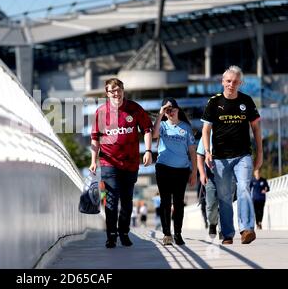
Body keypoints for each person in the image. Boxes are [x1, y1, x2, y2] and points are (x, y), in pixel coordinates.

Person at [202, 65, 263, 245]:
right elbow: (206, 130)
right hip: (220, 157)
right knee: (225, 197)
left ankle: (246, 229)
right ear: (222, 82)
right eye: (228, 81)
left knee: (244, 187)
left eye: (235, 81)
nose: (231, 84)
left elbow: (257, 129)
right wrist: (207, 151)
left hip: (243, 155)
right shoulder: (213, 103)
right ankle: (227, 234)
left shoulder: (247, 101)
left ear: (240, 83)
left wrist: (260, 153)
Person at [89, 78, 153, 248]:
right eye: (112, 91)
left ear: (123, 90)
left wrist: (147, 151)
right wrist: (93, 161)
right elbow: (95, 138)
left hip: (131, 163)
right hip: (109, 162)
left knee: (126, 201)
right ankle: (111, 235)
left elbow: (147, 129)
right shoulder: (101, 112)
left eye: (119, 90)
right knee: (111, 200)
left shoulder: (134, 108)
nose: (116, 94)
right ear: (107, 93)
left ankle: (124, 232)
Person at [153, 97, 197, 246]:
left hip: (181, 170)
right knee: (165, 201)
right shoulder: (163, 125)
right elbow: (154, 134)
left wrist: (194, 172)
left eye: (173, 109)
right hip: (163, 168)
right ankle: (167, 234)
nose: (170, 112)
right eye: (167, 110)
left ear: (178, 110)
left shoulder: (186, 127)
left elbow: (192, 152)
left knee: (178, 202)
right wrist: (160, 114)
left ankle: (178, 233)